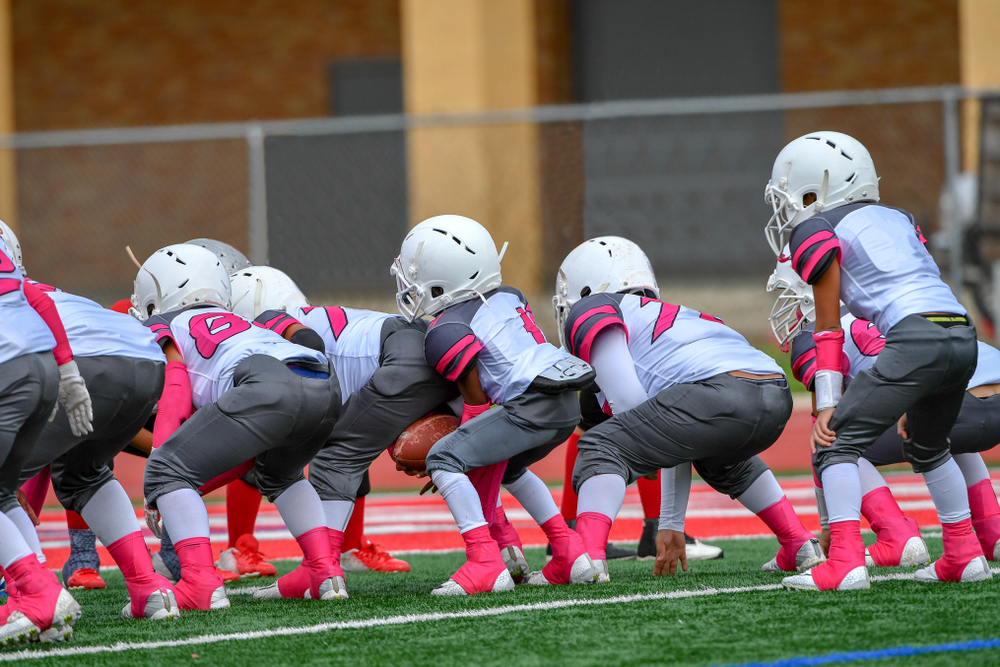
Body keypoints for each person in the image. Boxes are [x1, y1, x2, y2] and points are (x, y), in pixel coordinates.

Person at [763, 131, 988, 590]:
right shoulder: (898, 217)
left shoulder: (816, 228)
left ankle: (845, 563)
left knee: (834, 441)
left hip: (913, 336)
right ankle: (964, 553)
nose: (788, 209)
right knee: (930, 445)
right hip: (961, 332)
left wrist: (827, 402)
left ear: (814, 190)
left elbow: (827, 328)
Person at [555, 236, 821, 582]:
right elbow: (672, 432)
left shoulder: (591, 309)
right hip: (774, 391)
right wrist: (670, 523)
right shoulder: (673, 319)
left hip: (721, 392)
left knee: (600, 445)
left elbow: (633, 408)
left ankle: (587, 560)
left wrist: (636, 454)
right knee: (718, 457)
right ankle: (798, 542)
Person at [392, 215, 598, 595]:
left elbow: (477, 405)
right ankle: (569, 551)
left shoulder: (445, 330)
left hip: (531, 403)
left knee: (443, 459)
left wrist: (458, 454)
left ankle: (484, 560)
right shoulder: (509, 295)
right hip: (566, 402)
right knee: (509, 469)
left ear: (442, 276)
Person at [132, 244, 343, 610]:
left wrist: (160, 463)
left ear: (157, 295)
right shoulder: (248, 320)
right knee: (281, 473)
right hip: (324, 384)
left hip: (265, 385)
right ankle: (324, 571)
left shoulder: (163, 324)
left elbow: (177, 389)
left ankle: (199, 582)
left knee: (167, 470)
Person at [767, 257, 1000, 566]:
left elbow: (825, 422)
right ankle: (992, 531)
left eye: (790, 292)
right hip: (985, 390)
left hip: (958, 404)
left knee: (833, 440)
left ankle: (896, 534)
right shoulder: (887, 306)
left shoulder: (815, 334)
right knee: (943, 428)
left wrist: (828, 525)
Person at [228, 266, 442, 599]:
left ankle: (319, 567)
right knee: (467, 453)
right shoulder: (315, 318)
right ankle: (504, 548)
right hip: (422, 344)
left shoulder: (268, 325)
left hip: (399, 357)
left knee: (336, 453)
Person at [0, 222, 93, 646]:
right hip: (42, 365)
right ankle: (32, 594)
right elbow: (38, 298)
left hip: (5, 366)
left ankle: (37, 590)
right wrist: (68, 374)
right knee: (2, 492)